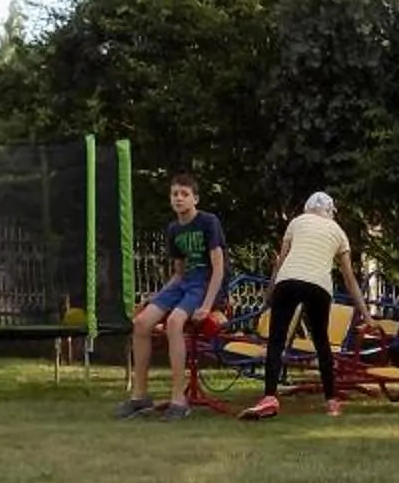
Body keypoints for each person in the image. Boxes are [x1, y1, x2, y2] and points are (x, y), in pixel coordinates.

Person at [242, 189, 366, 419]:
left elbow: (280, 263)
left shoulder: (296, 223)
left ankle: (269, 396)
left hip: (287, 281)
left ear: (308, 209)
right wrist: (366, 315)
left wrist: (268, 297)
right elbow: (349, 278)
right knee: (321, 342)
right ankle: (331, 401)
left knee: (276, 339)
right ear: (331, 212)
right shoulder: (338, 232)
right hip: (318, 286)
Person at [119, 174, 225, 419]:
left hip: (204, 283)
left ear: (195, 199)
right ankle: (140, 396)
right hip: (185, 283)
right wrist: (154, 297)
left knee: (174, 322)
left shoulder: (209, 222)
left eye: (184, 194)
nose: (178, 198)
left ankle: (179, 399)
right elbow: (178, 274)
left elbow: (218, 267)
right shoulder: (174, 229)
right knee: (142, 322)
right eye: (174, 194)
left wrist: (208, 305)